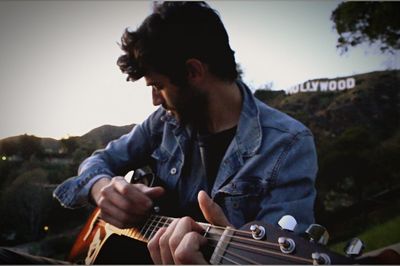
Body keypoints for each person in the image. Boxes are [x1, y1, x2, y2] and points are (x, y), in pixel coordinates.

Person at [0, 2, 317, 264]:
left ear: (193, 72)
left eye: (158, 86)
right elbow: (99, 161)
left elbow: (279, 256)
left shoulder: (288, 144)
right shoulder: (164, 121)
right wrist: (101, 189)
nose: (154, 100)